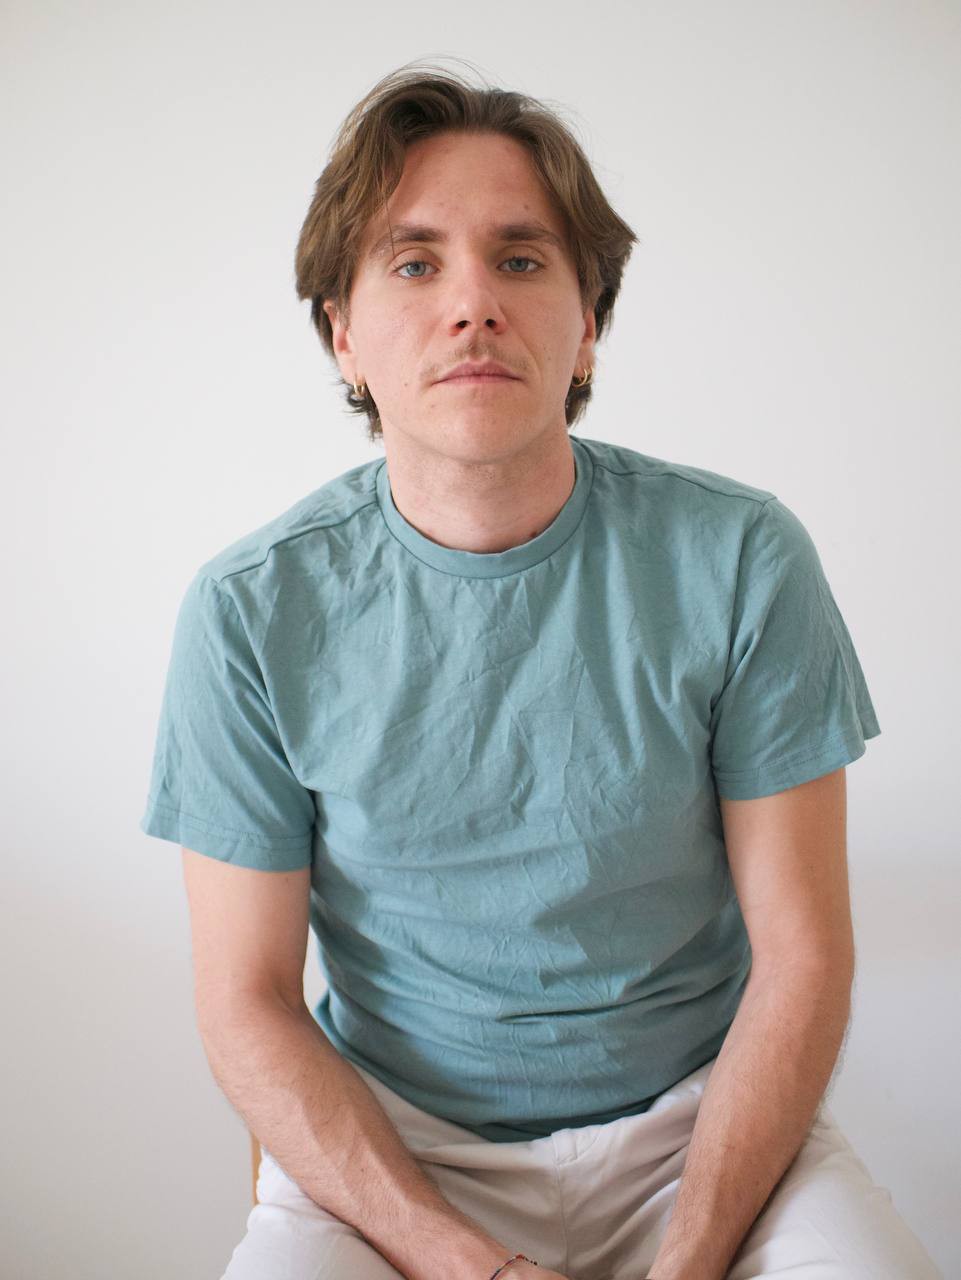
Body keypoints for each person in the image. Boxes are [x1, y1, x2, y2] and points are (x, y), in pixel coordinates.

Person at [140, 62, 942, 1280]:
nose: (473, 304)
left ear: (589, 323)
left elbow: (803, 955)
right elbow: (246, 1000)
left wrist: (691, 1255)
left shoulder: (739, 556)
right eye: (415, 263)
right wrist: (468, 1261)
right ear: (343, 334)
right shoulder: (249, 610)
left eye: (520, 259)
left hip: (701, 1131)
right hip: (398, 1151)